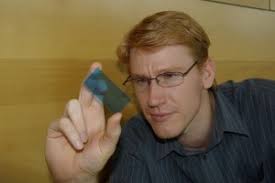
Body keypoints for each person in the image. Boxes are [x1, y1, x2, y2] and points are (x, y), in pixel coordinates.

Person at [45, 11, 275, 183]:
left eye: (170, 75)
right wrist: (79, 180)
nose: (153, 99)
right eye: (141, 81)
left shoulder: (266, 103)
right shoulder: (133, 141)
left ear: (206, 74)